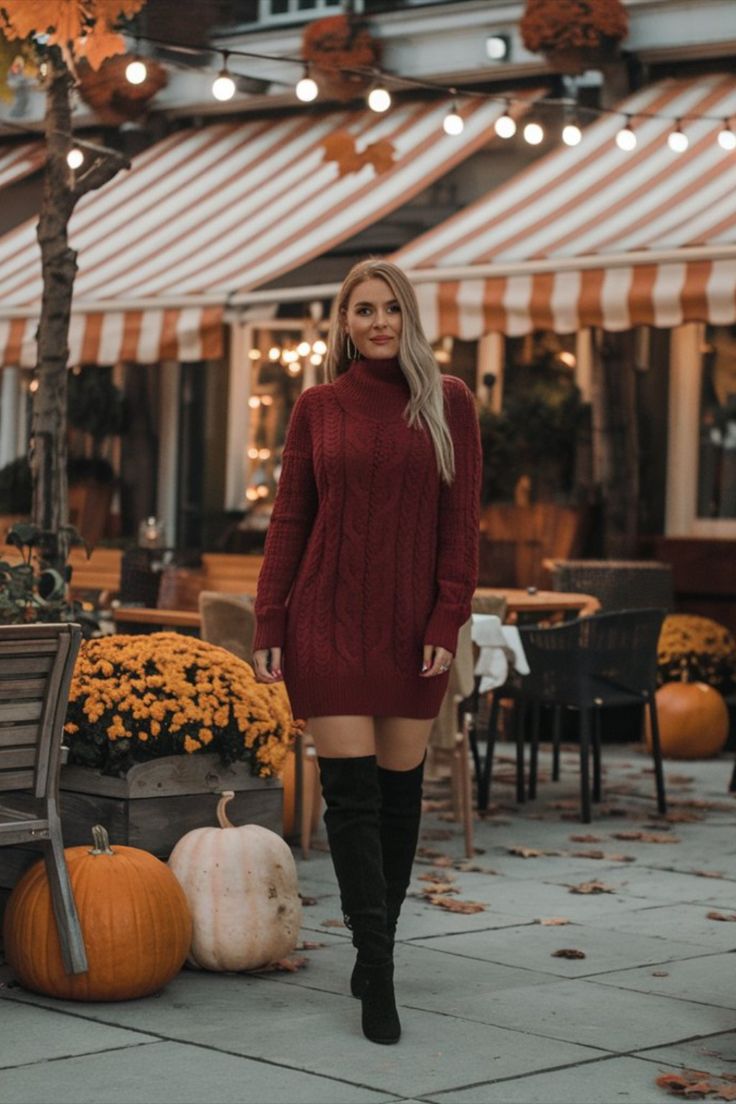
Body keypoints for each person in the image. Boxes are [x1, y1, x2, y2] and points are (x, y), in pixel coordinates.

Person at [252, 258, 481, 1045]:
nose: (378, 322)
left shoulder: (448, 403)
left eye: (390, 309)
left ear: (408, 317)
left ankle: (374, 945)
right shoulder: (317, 407)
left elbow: (462, 526)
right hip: (327, 619)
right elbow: (290, 521)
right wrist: (269, 621)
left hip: (413, 625)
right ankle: (375, 968)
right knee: (351, 800)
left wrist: (447, 620)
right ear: (343, 324)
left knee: (398, 799)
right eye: (362, 311)